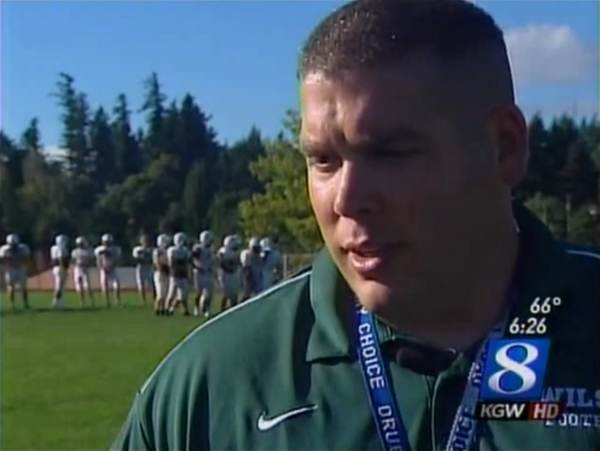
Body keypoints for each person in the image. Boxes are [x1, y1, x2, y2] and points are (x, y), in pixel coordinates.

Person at [113, 1, 600, 450]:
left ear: (503, 148)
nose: (347, 199)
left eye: (390, 154)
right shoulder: (212, 384)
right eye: (323, 160)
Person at [0, 234, 30, 310]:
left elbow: (27, 258)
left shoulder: (23, 248)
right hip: (10, 269)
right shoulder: (4, 249)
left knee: (23, 287)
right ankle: (12, 304)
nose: (13, 246)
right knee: (11, 287)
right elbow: (2, 260)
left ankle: (25, 303)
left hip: (21, 268)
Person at [166, 232, 191, 316]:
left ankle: (175, 309)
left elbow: (187, 263)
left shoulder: (185, 250)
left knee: (183, 295)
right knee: (171, 293)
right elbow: (171, 263)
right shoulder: (172, 250)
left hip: (183, 274)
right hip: (175, 274)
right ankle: (166, 308)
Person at [191, 230, 215, 318]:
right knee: (199, 292)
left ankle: (206, 309)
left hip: (208, 272)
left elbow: (212, 260)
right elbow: (192, 259)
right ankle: (196, 307)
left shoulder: (211, 248)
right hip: (199, 272)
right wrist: (198, 266)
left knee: (209, 293)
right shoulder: (198, 248)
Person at [94, 233, 122, 308]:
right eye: (106, 242)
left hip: (113, 268)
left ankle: (117, 301)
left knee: (116, 285)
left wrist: (113, 266)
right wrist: (102, 268)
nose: (107, 243)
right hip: (104, 269)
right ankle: (107, 301)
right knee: (104, 286)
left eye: (108, 242)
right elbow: (98, 261)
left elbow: (118, 259)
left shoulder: (115, 249)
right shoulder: (99, 249)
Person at [216, 234, 241, 311]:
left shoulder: (235, 251)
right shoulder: (223, 252)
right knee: (226, 293)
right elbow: (220, 263)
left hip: (233, 273)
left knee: (234, 293)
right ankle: (222, 308)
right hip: (225, 274)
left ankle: (234, 308)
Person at [71, 236, 95, 307]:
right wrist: (76, 264)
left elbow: (92, 260)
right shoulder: (75, 251)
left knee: (87, 286)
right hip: (78, 268)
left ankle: (91, 301)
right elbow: (73, 261)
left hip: (85, 268)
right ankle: (82, 301)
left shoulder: (88, 251)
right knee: (79, 285)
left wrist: (87, 264)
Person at [132, 234, 154, 306]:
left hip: (149, 267)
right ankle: (143, 301)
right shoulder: (137, 249)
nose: (145, 242)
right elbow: (136, 259)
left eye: (146, 240)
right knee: (141, 284)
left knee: (152, 284)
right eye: (144, 240)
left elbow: (153, 259)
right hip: (141, 267)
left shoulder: (152, 249)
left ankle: (154, 299)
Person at [239, 236, 263, 301]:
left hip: (257, 278)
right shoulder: (246, 254)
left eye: (257, 248)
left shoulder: (258, 256)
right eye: (255, 248)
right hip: (248, 276)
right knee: (246, 294)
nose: (256, 250)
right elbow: (246, 268)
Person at [152, 234, 171, 315]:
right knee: (160, 293)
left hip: (166, 273)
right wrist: (164, 268)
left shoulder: (167, 250)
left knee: (165, 293)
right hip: (159, 273)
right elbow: (157, 262)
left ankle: (162, 309)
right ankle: (157, 308)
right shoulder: (157, 251)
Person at [50, 234, 70, 309]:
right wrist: (63, 268)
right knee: (59, 286)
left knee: (58, 286)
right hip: (60, 268)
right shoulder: (61, 248)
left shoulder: (53, 248)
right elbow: (61, 258)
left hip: (55, 268)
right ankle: (56, 302)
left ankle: (58, 302)